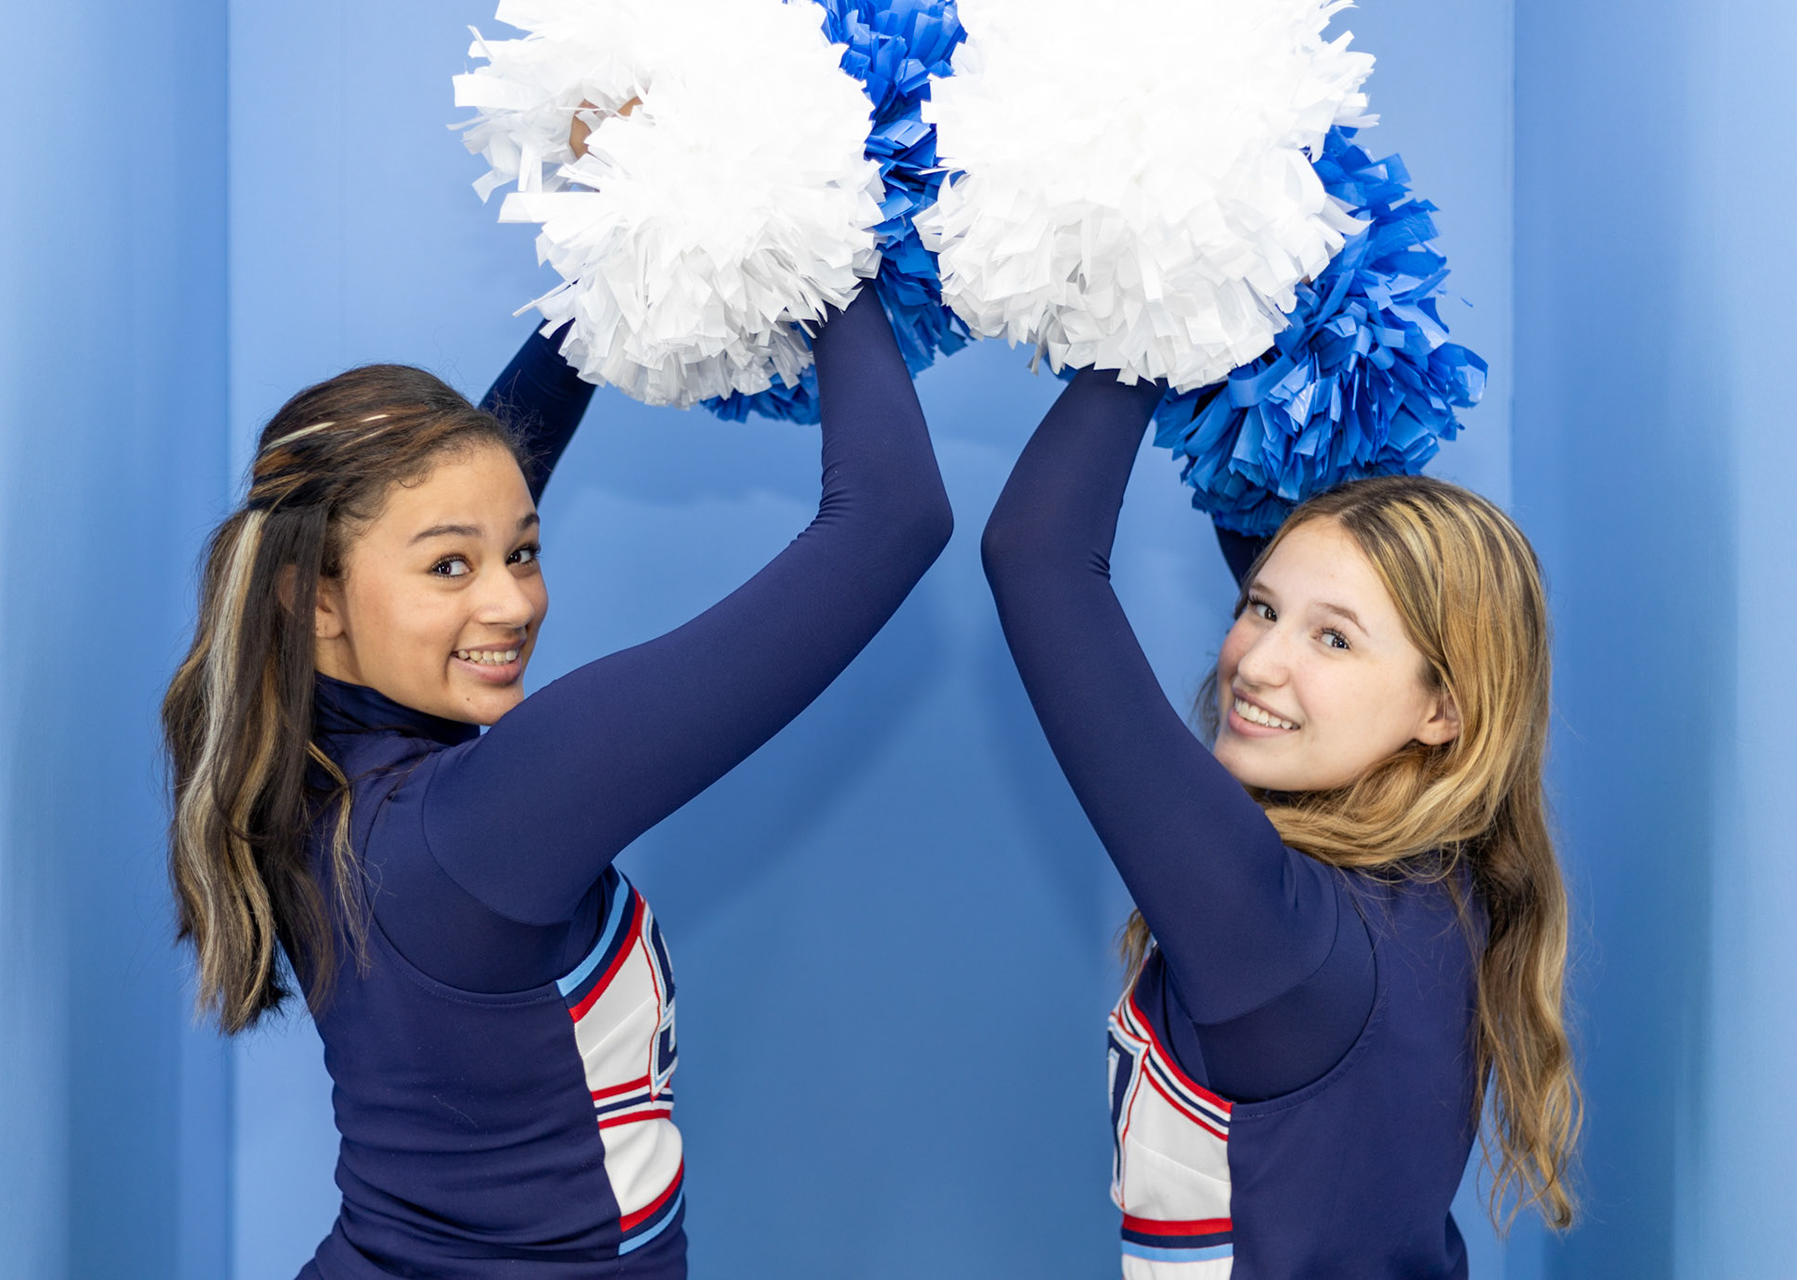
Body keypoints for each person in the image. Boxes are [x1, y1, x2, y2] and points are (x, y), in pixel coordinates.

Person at [161, 273, 951, 1278]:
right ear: (314, 598)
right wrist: (814, 232)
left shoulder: (314, 759)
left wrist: (620, 245)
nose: (511, 603)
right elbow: (895, 515)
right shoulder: (480, 821)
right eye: (452, 567)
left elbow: (434, 489)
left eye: (525, 550)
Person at [980, 369, 1578, 1278]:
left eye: (1331, 639)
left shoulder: (1274, 931)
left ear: (1443, 711)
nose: (1257, 663)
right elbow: (1331, 567)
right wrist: (1280, 339)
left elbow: (1035, 554)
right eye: (1259, 608)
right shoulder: (1446, 876)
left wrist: (1148, 324)